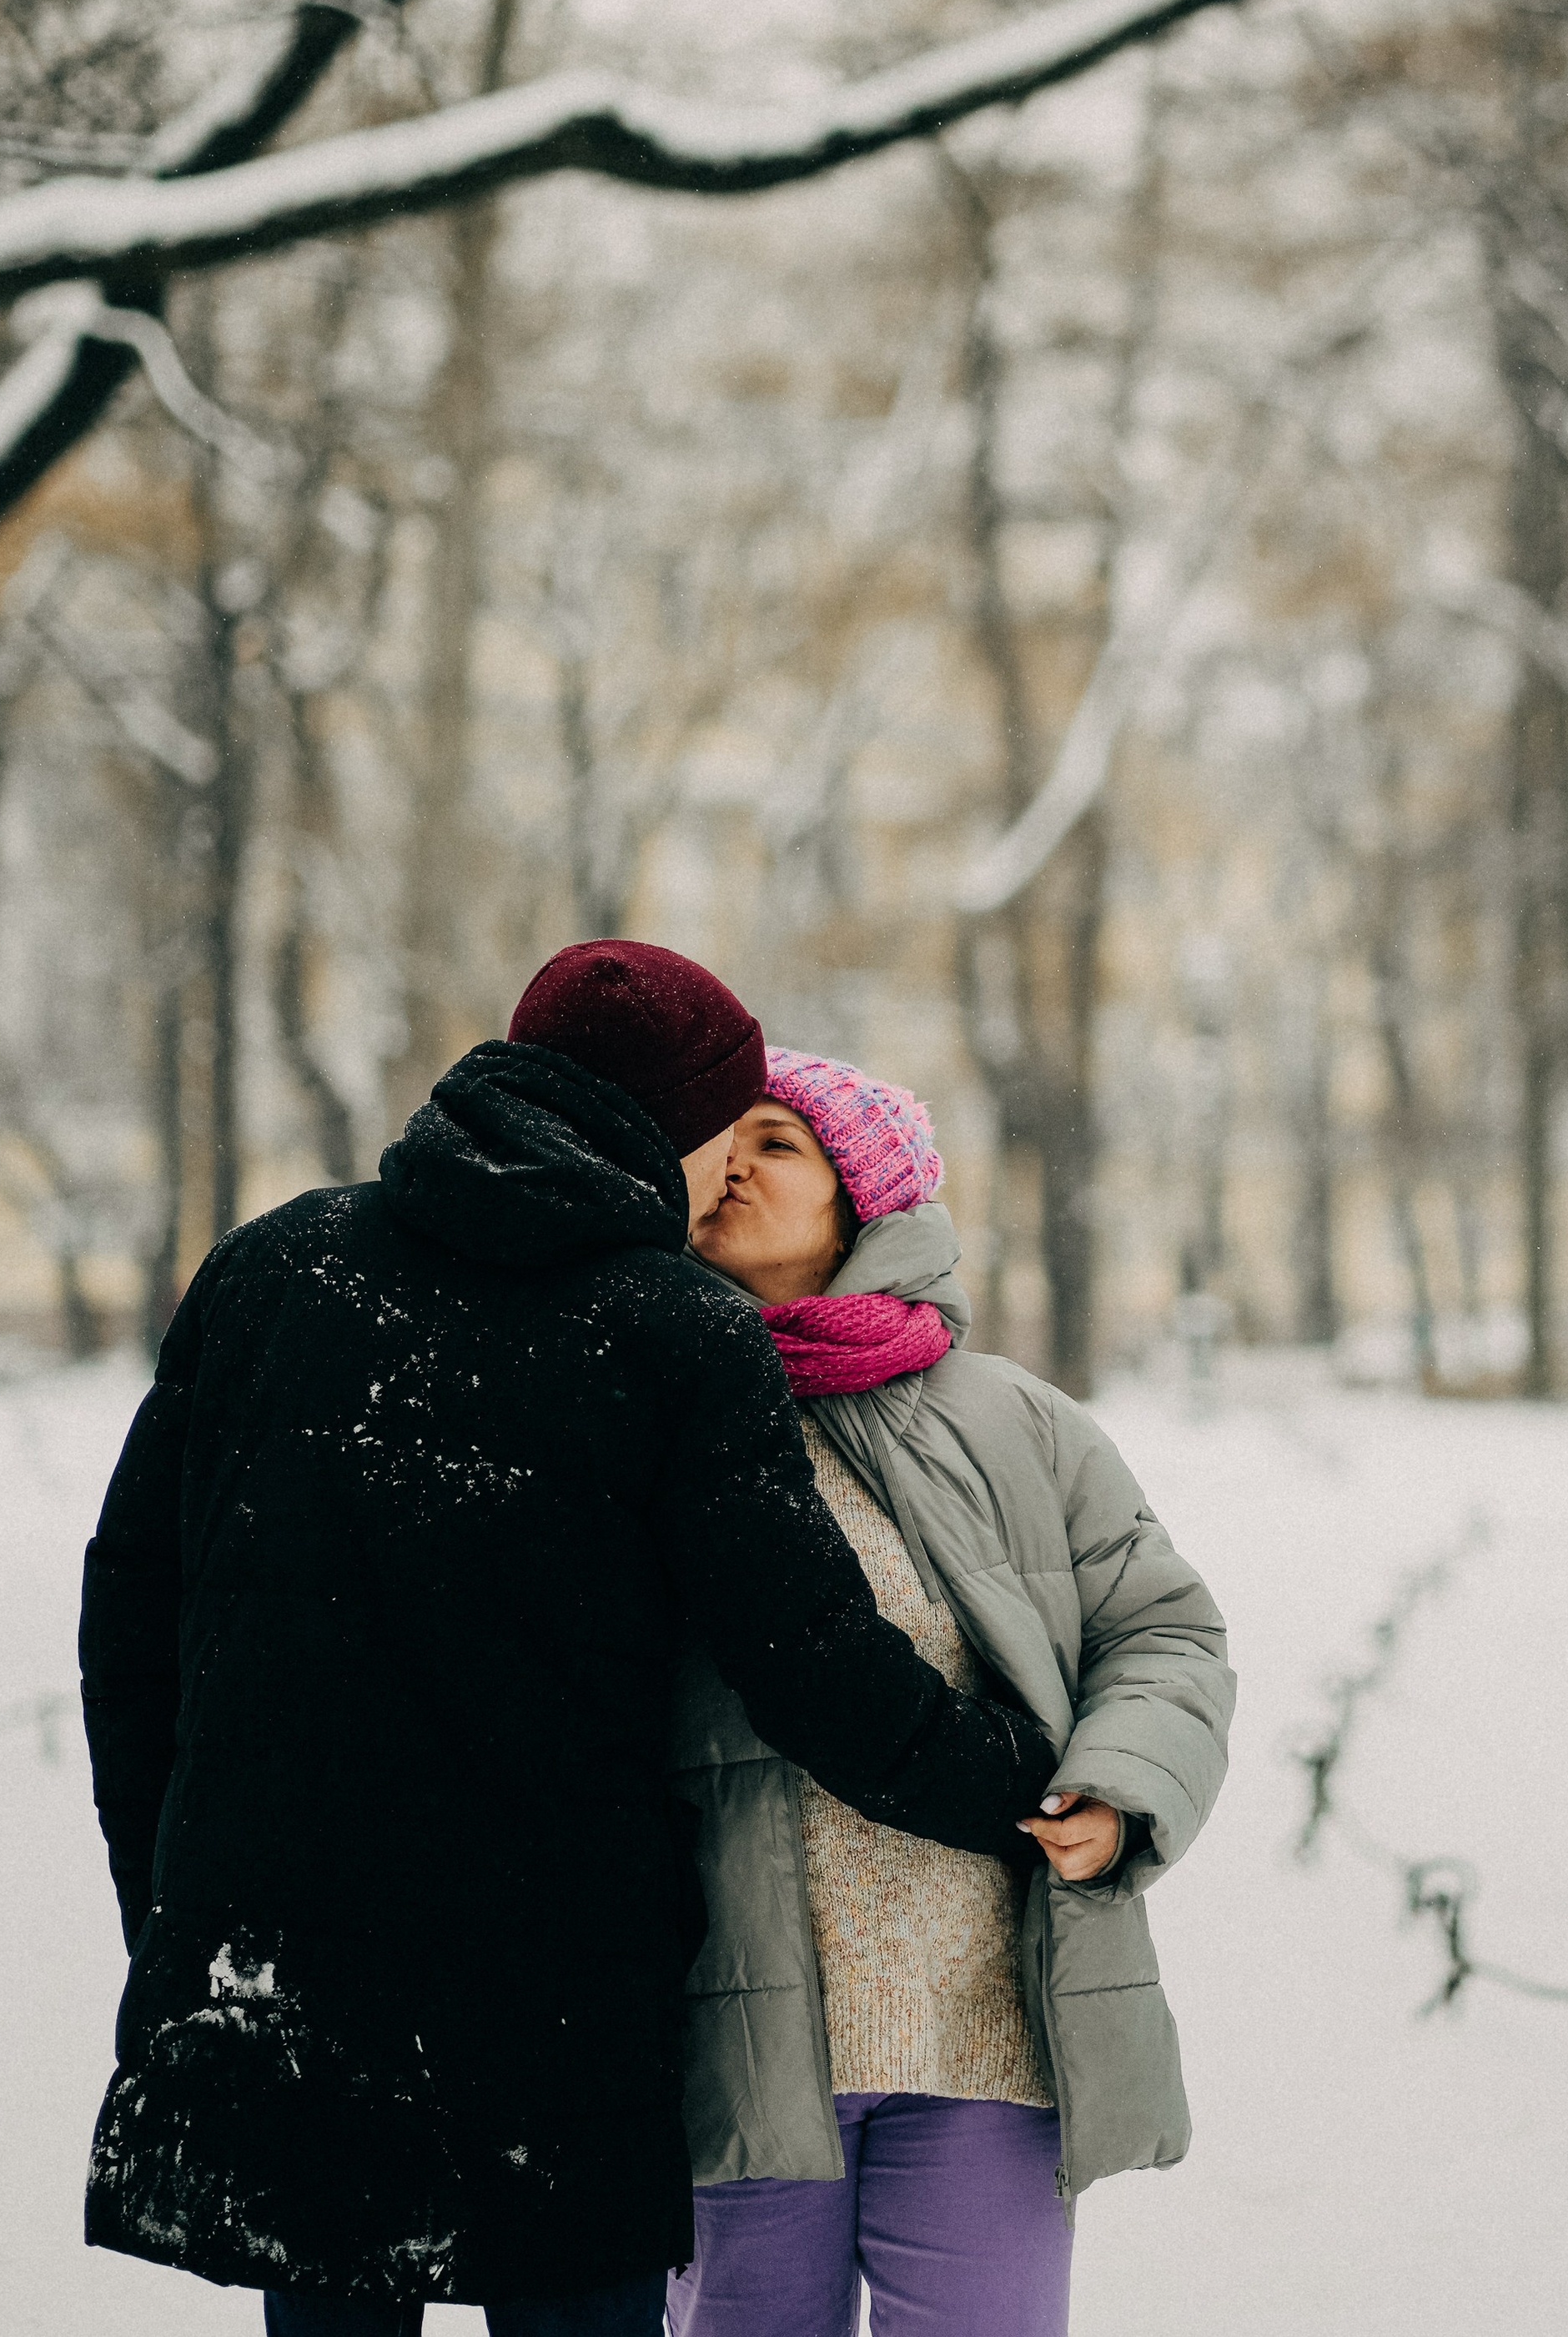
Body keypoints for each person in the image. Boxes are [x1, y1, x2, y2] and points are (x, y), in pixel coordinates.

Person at [78, 943, 1062, 2337]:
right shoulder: (671, 1327)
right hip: (548, 2013)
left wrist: (178, 1916)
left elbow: (130, 1635)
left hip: (275, 1975)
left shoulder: (272, 1266)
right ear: (678, 1117)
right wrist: (1021, 1777)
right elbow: (812, 1661)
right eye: (730, 1120)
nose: (731, 1167)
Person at [667, 1048, 1234, 2337]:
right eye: (720, 1142)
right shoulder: (655, 1409)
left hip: (986, 2028)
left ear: (868, 1196)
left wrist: (1121, 1786)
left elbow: (1164, 1632)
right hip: (736, 2027)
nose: (735, 1164)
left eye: (779, 1142)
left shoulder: (1010, 1421)